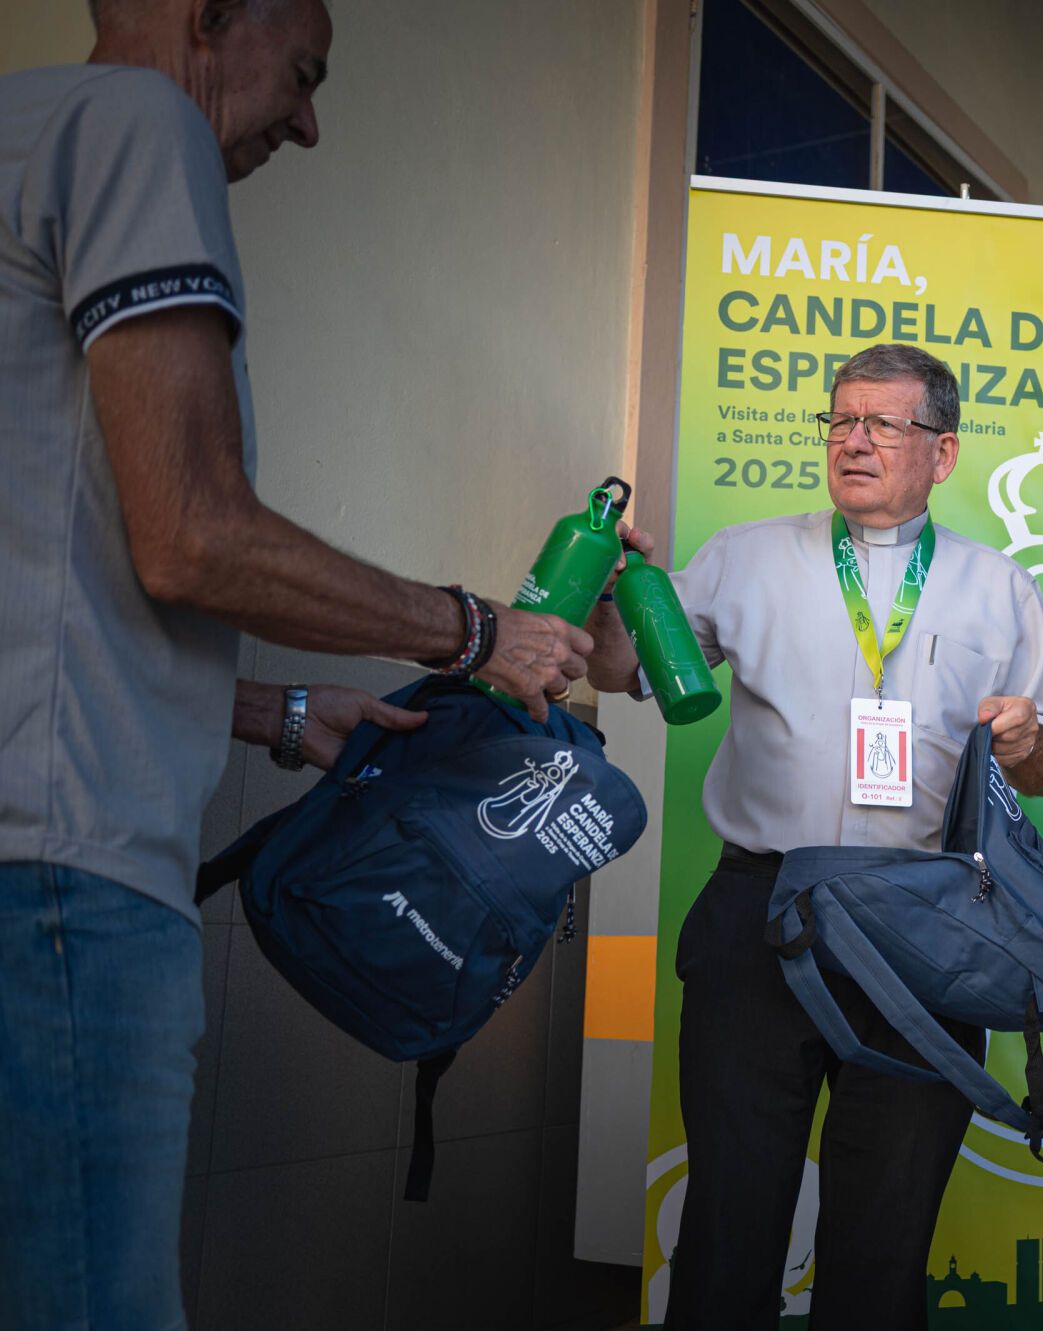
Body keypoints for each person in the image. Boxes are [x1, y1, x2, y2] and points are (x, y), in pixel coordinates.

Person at [0, 2, 603, 1325]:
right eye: (306, 72)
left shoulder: (23, 135)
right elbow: (193, 533)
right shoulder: (139, 120)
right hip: (60, 884)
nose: (311, 123)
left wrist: (275, 709)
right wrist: (474, 631)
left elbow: (46, 588)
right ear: (213, 15)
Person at [598, 341, 1043, 1329]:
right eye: (841, 420)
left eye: (882, 424)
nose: (853, 441)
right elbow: (622, 670)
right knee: (727, 1229)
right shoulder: (742, 556)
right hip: (761, 914)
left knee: (882, 1246)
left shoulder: (999, 586)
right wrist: (614, 598)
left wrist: (1028, 739)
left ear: (943, 453)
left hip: (925, 929)